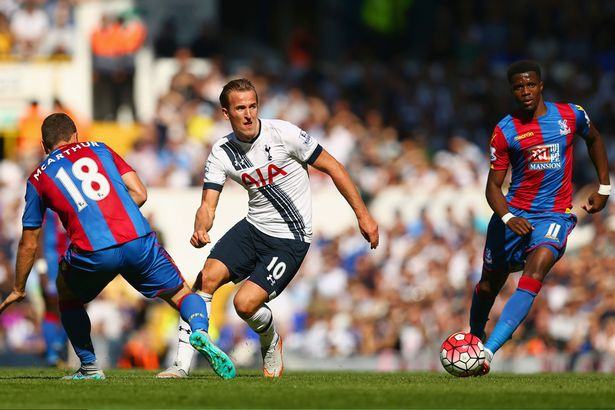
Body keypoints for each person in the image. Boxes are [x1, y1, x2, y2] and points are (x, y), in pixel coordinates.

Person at [158, 78, 379, 378]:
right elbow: (208, 204)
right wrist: (201, 228)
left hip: (290, 238)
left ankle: (271, 340)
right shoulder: (222, 152)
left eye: (252, 106)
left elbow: (333, 166)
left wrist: (362, 216)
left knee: (244, 304)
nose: (248, 114)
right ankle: (180, 366)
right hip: (253, 228)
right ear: (226, 113)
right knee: (205, 279)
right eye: (240, 108)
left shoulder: (284, 134)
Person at [0, 113, 236, 380]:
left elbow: (29, 242)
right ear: (76, 136)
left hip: (93, 251)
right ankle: (201, 331)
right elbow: (140, 193)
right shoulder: (100, 148)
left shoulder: (38, 177)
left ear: (45, 146)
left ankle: (89, 366)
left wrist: (19, 288)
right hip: (137, 239)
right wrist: (115, 215)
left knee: (67, 293)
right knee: (181, 293)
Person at [469, 60, 611, 374]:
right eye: (518, 87)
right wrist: (507, 218)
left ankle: (487, 354)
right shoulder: (505, 131)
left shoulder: (571, 115)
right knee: (488, 287)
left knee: (537, 268)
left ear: (541, 85)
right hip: (513, 216)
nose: (526, 91)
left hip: (554, 216)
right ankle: (474, 340)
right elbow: (493, 187)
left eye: (530, 85)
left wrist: (604, 186)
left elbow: (595, 139)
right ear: (512, 91)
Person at [39, 209, 69, 366]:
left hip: (71, 260)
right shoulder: (48, 206)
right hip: (51, 264)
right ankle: (52, 351)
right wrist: (42, 267)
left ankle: (58, 344)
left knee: (73, 303)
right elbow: (37, 235)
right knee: (52, 306)